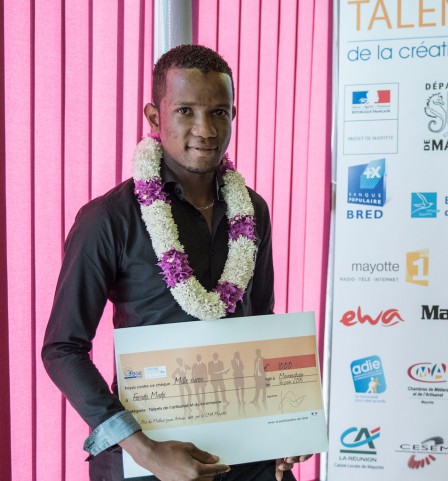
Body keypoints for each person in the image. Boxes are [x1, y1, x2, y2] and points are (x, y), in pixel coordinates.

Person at [42, 44, 311, 481]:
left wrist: (283, 425)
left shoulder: (253, 210)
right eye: (185, 111)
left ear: (233, 115)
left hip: (246, 455)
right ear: (154, 117)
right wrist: (146, 452)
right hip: (152, 456)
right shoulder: (108, 218)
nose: (204, 129)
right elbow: (62, 349)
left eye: (218, 112)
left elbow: (260, 321)